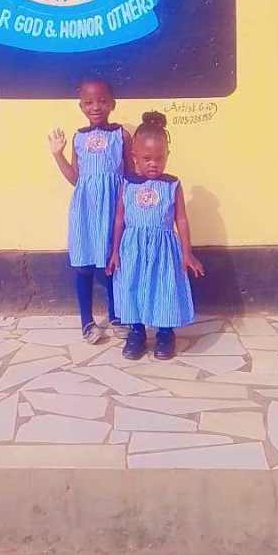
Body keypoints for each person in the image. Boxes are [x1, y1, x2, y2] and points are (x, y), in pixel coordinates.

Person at [106, 111, 205, 361]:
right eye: (147, 158)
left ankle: (165, 333)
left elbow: (181, 220)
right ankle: (137, 332)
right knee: (132, 287)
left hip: (164, 250)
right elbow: (119, 219)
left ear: (168, 155)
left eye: (159, 158)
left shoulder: (172, 185)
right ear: (134, 156)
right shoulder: (127, 184)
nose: (153, 164)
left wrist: (187, 253)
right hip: (132, 249)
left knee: (164, 288)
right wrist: (115, 251)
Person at [48, 77, 132, 344]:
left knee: (113, 263)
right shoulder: (79, 138)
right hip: (85, 210)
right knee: (83, 265)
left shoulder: (121, 135)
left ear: (113, 104)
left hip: (113, 209)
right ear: (81, 106)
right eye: (88, 102)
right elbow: (76, 178)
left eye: (102, 101)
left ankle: (117, 315)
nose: (95, 107)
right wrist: (58, 155)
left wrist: (129, 208)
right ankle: (87, 321)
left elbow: (130, 174)